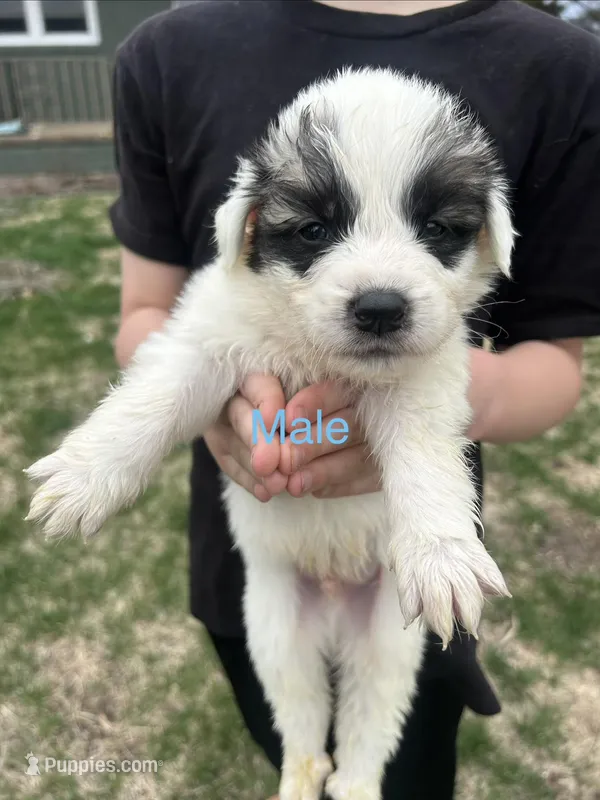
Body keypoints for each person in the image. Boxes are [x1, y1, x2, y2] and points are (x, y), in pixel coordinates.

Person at [109, 1, 600, 797]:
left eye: (439, 228)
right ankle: (304, 763)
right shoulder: (166, 55)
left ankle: (361, 776)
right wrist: (209, 405)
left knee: (396, 726)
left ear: (490, 231)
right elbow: (149, 319)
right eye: (312, 233)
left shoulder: (562, 68)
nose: (378, 287)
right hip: (260, 546)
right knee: (284, 703)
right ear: (247, 227)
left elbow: (555, 366)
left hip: (405, 567)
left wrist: (438, 400)